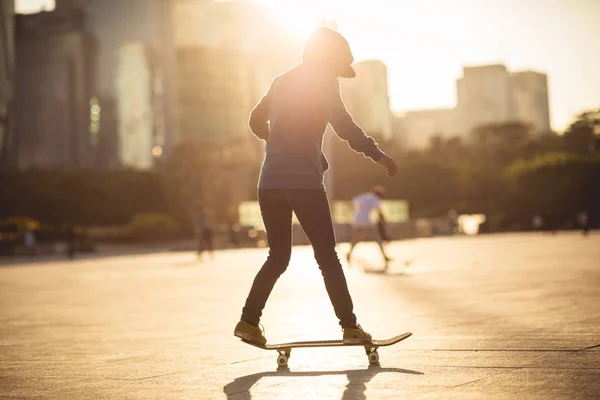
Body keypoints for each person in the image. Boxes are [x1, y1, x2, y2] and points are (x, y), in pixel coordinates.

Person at [234, 27, 398, 345]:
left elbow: (256, 120)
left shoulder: (281, 80)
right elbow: (344, 125)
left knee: (277, 257)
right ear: (331, 59)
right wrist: (378, 154)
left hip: (268, 184)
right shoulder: (324, 80)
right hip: (303, 184)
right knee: (327, 257)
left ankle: (248, 321)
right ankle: (350, 327)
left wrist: (278, 142)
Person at [346, 186, 391, 264]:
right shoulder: (375, 199)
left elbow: (352, 202)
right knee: (378, 239)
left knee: (357, 238)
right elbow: (379, 212)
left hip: (357, 220)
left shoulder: (364, 196)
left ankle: (349, 253)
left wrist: (352, 213)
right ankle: (384, 257)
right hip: (366, 221)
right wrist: (384, 220)